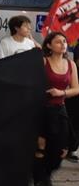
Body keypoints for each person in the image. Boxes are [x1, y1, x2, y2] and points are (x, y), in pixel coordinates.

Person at [33, 32, 79, 186]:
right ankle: (41, 179)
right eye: (58, 42)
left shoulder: (71, 64)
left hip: (60, 111)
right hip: (42, 110)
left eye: (64, 41)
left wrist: (62, 93)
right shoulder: (43, 62)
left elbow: (76, 89)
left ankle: (44, 173)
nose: (63, 44)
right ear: (49, 45)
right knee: (41, 146)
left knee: (61, 150)